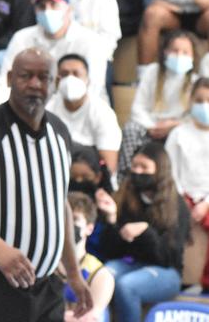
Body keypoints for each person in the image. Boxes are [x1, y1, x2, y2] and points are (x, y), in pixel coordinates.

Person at [0, 48, 92, 321]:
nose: (34, 84)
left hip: (45, 289)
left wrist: (73, 274)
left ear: (55, 84)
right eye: (25, 76)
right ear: (9, 78)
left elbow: (61, 207)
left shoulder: (60, 133)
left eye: (43, 77)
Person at [96, 142, 189, 322]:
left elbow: (168, 258)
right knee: (104, 274)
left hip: (167, 272)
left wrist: (146, 232)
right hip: (132, 264)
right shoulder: (125, 197)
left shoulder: (176, 205)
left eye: (144, 167)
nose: (137, 171)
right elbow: (109, 252)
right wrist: (112, 219)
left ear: (160, 170)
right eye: (134, 166)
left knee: (127, 285)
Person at [0, 0, 107, 105]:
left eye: (54, 5)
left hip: (78, 112)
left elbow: (94, 89)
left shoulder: (90, 41)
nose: (47, 11)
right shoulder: (22, 38)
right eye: (42, 6)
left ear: (69, 9)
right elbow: (2, 85)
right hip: (30, 111)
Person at [119, 30, 198, 178]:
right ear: (165, 52)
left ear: (193, 56)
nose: (179, 56)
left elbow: (194, 117)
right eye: (175, 51)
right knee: (130, 129)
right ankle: (124, 177)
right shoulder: (151, 72)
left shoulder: (195, 82)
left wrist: (174, 125)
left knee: (184, 136)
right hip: (150, 126)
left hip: (177, 128)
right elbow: (138, 107)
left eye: (185, 52)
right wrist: (152, 126)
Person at [165, 77, 209, 291]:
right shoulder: (178, 133)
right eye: (199, 100)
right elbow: (170, 171)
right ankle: (181, 279)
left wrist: (205, 203)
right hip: (181, 195)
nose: (204, 106)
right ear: (191, 101)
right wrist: (183, 198)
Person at [45, 54, 122, 173]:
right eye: (65, 74)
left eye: (76, 74)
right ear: (57, 80)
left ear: (88, 80)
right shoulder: (48, 108)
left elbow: (109, 163)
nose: (70, 79)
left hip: (90, 179)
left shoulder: (102, 112)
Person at [61, 192, 115, 322]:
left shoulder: (101, 275)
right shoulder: (45, 264)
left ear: (89, 229)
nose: (68, 225)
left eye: (74, 219)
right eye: (63, 219)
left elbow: (88, 319)